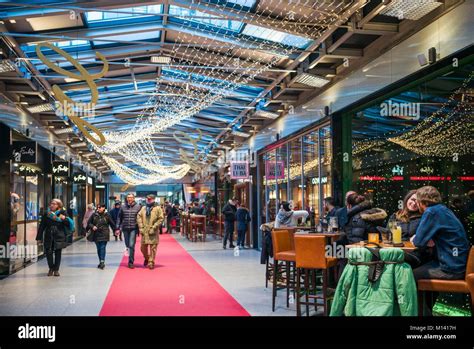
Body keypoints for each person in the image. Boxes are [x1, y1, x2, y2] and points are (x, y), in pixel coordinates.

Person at [411, 186, 470, 281]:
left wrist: (415, 238)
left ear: (422, 202)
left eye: (417, 201)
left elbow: (418, 242)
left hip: (451, 268)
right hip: (458, 263)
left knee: (409, 274)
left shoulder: (431, 212)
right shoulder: (442, 209)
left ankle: (413, 296)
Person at [36, 199, 74, 277]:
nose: (52, 205)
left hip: (59, 235)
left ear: (58, 205)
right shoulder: (46, 214)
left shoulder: (62, 213)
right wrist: (39, 237)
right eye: (51, 203)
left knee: (58, 253)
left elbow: (68, 223)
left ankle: (56, 270)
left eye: (54, 204)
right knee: (48, 253)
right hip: (49, 235)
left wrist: (64, 218)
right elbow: (42, 226)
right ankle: (51, 268)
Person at [137, 194, 164, 270]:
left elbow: (161, 219)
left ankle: (151, 262)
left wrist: (154, 227)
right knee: (142, 248)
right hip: (144, 232)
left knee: (153, 248)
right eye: (147, 199)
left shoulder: (158, 208)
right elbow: (139, 217)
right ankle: (147, 258)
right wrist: (141, 227)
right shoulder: (143, 208)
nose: (148, 200)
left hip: (153, 231)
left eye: (150, 199)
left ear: (153, 199)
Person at [87, 203, 116, 270]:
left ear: (104, 208)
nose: (98, 209)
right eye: (98, 207)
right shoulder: (94, 215)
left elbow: (112, 223)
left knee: (102, 247)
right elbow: (89, 223)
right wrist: (93, 226)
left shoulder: (107, 215)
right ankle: (101, 261)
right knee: (98, 248)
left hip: (104, 233)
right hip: (96, 234)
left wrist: (116, 230)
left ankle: (102, 262)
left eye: (100, 207)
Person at [117, 193, 142, 269]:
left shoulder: (138, 207)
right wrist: (117, 227)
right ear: (127, 198)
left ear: (134, 198)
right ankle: (129, 255)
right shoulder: (123, 207)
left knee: (131, 245)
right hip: (125, 228)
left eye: (131, 197)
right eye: (128, 197)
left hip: (133, 228)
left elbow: (141, 217)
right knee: (127, 245)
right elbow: (119, 217)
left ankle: (131, 262)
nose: (129, 199)